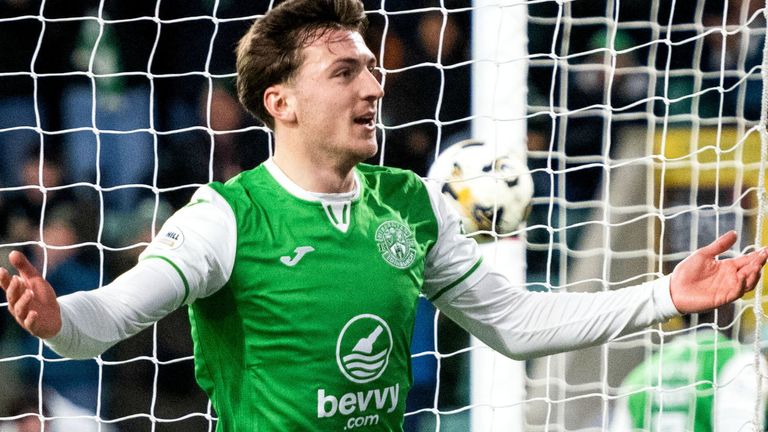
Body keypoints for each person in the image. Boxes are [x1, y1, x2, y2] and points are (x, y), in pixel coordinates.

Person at [1, 0, 767, 430]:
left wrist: (664, 295)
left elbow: (517, 324)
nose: (373, 85)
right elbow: (112, 316)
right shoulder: (225, 218)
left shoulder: (411, 201)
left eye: (371, 66)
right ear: (282, 103)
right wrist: (55, 319)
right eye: (346, 71)